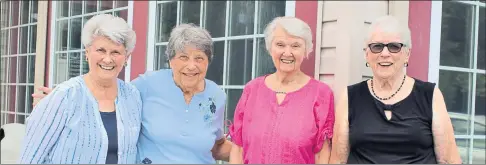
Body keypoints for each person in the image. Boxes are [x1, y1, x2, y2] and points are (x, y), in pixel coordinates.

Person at [33, 23, 232, 164]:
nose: (191, 66)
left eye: (199, 58)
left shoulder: (216, 96)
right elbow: (107, 92)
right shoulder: (148, 85)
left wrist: (252, 146)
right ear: (171, 60)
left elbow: (217, 145)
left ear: (208, 61)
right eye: (183, 57)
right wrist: (63, 98)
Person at [329, 15, 462, 164]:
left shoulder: (430, 96)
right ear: (367, 54)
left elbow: (449, 160)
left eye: (394, 47)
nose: (385, 54)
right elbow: (337, 160)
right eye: (377, 46)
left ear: (407, 54)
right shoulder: (350, 97)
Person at [18, 14, 141, 164]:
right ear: (87, 52)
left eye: (115, 52)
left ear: (126, 57)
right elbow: (30, 159)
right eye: (101, 50)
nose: (108, 59)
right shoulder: (64, 97)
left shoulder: (133, 96)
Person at [228, 16, 335, 164]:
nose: (287, 52)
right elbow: (238, 148)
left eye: (295, 46)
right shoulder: (252, 90)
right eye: (280, 44)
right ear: (270, 47)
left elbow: (321, 155)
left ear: (306, 50)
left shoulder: (321, 94)